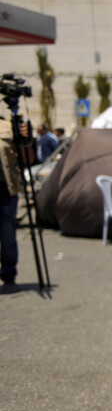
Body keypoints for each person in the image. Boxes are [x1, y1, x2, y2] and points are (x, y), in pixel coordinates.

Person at [0, 118, 22, 293]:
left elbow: (27, 156)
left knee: (8, 240)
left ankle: (9, 276)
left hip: (6, 193)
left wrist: (24, 139)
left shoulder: (7, 126)